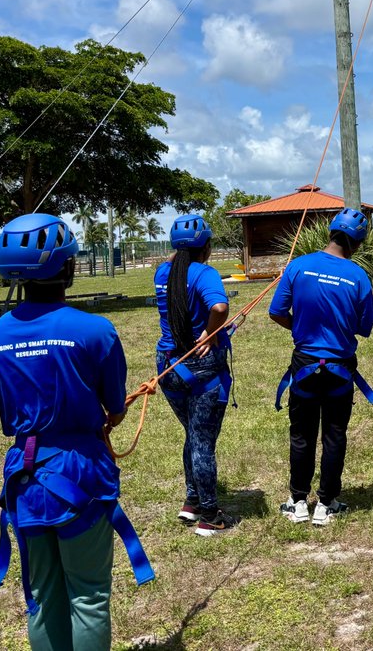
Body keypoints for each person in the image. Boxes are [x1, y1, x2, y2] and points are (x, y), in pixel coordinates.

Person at [0, 213, 152, 651]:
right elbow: (114, 408)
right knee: (89, 597)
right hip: (80, 472)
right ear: (66, 267)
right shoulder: (94, 330)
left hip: (25, 476)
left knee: (42, 595)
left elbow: (8, 411)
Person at [268, 208, 373, 526]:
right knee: (334, 434)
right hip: (340, 367)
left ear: (330, 233)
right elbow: (365, 326)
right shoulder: (357, 276)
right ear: (357, 242)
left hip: (304, 363)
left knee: (301, 433)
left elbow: (276, 311)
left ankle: (298, 501)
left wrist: (301, 328)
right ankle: (326, 503)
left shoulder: (298, 267)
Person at [154, 213, 235, 536]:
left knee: (192, 434)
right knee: (203, 441)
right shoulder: (204, 273)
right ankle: (209, 515)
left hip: (168, 365)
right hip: (200, 368)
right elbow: (218, 308)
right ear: (206, 246)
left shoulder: (163, 272)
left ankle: (191, 501)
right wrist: (209, 334)